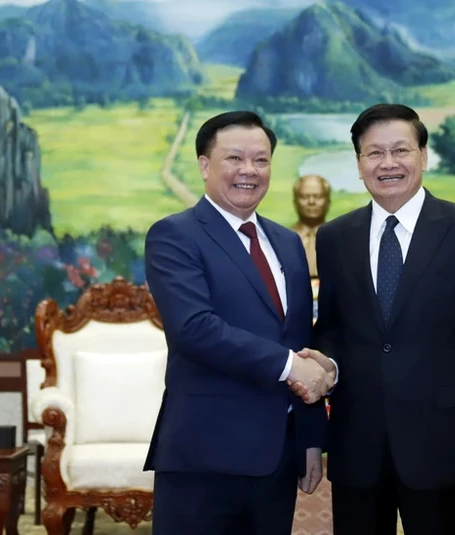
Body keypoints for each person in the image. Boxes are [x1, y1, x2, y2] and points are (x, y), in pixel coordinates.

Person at [290, 103, 455, 534]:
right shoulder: (336, 237)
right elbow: (333, 330)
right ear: (358, 164)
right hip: (358, 447)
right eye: (373, 153)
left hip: (443, 449)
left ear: (423, 156)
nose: (388, 163)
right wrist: (326, 365)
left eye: (400, 150)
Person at [143, 110, 335, 535]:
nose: (249, 170)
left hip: (277, 460)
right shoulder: (174, 235)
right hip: (203, 456)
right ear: (205, 165)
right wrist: (291, 366)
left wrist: (308, 437)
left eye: (261, 160)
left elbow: (298, 337)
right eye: (234, 158)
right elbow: (195, 328)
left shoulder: (286, 242)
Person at [291, 174, 332, 278]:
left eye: (318, 197)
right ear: (295, 202)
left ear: (328, 201)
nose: (311, 202)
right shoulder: (283, 240)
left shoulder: (339, 240)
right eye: (304, 197)